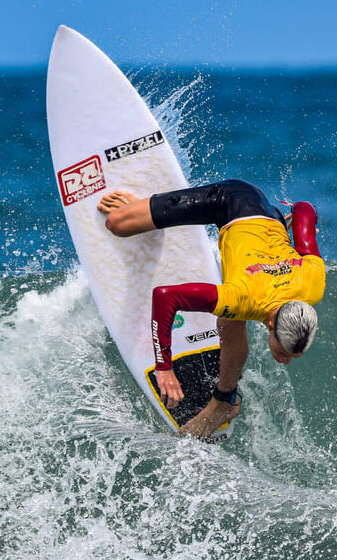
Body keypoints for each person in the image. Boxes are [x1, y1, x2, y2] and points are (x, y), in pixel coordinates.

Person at [97, 179, 325, 439]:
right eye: (284, 353)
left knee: (231, 321)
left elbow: (305, 208)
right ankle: (139, 206)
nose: (284, 361)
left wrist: (293, 218)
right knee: (117, 223)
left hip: (270, 220)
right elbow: (164, 297)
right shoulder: (242, 297)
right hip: (229, 199)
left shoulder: (313, 283)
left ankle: (222, 402)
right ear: (271, 326)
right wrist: (164, 367)